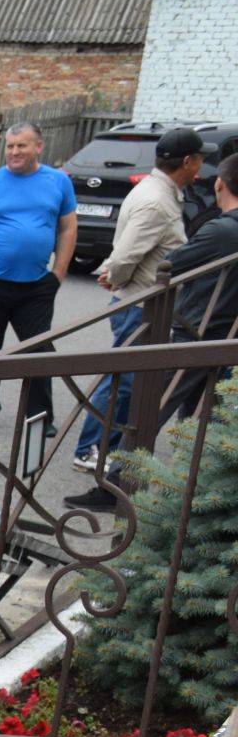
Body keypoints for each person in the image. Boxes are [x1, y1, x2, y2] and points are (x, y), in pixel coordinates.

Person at [66, 152, 238, 511]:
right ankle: (200, 491)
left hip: (197, 335)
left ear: (220, 183)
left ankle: (114, 487)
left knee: (148, 413)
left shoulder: (222, 229)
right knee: (203, 417)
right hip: (223, 337)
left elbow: (170, 265)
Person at [69, 126, 202, 473]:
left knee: (130, 381)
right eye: (200, 158)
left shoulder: (161, 190)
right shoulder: (156, 200)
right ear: (188, 161)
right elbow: (127, 255)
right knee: (122, 383)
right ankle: (90, 449)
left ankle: (113, 448)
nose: (202, 165)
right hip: (138, 305)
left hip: (143, 303)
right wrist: (115, 278)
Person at [0, 121, 77, 432]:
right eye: (10, 146)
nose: (14, 152)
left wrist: (59, 272)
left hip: (37, 286)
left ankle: (40, 417)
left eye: (21, 146)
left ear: (38, 147)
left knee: (38, 353)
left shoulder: (58, 182)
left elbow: (67, 228)